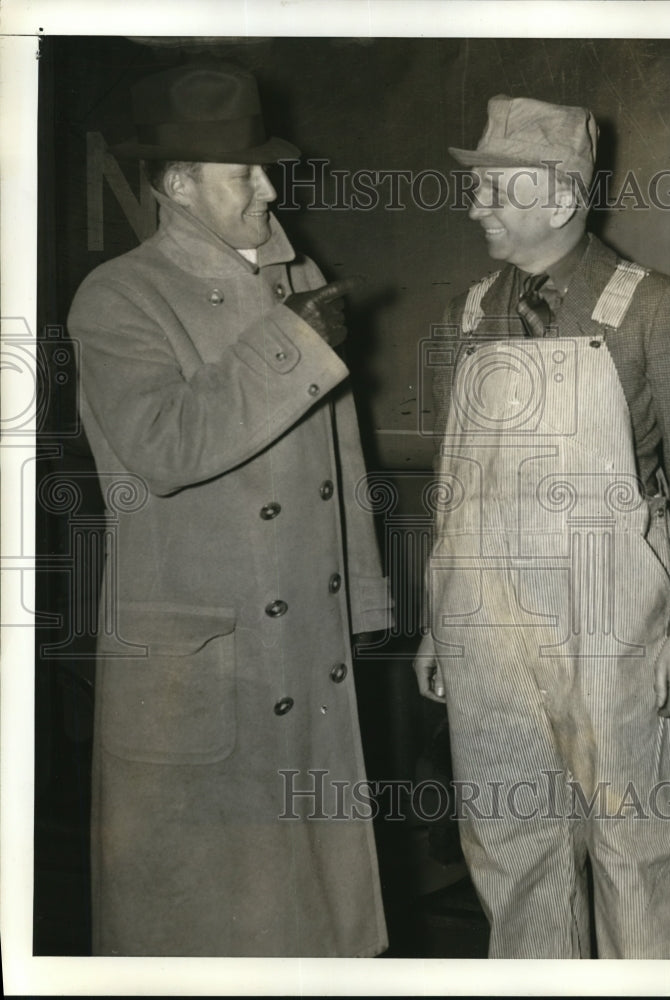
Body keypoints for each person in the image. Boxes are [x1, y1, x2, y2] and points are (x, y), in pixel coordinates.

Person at [68, 62, 391, 957]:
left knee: (314, 924)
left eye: (266, 167)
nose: (269, 187)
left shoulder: (297, 276)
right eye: (243, 173)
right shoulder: (119, 294)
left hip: (304, 640)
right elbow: (164, 448)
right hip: (203, 658)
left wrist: (363, 596)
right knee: (209, 924)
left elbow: (340, 455)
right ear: (179, 186)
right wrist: (292, 341)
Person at [413, 95, 670, 959]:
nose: (475, 206)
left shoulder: (656, 310)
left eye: (494, 189)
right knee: (508, 843)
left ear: (558, 197)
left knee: (640, 844)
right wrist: (441, 622)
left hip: (616, 617)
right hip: (488, 620)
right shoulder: (467, 316)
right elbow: (449, 487)